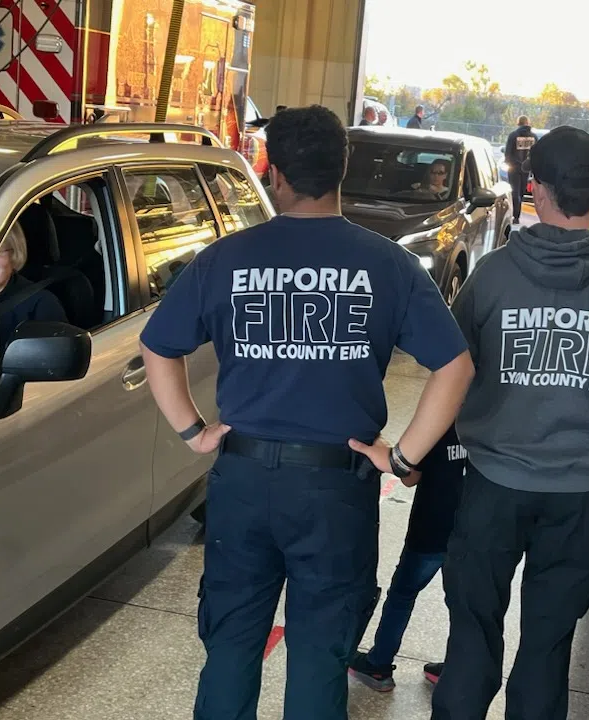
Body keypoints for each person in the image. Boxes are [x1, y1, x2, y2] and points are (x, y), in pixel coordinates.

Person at [138, 105, 474, 720]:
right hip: (335, 489)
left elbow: (160, 348)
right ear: (341, 171)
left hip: (241, 480)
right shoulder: (387, 263)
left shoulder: (225, 258)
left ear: (277, 177)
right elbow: (455, 367)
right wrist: (400, 457)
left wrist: (194, 430)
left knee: (232, 645)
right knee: (321, 656)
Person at [431, 127, 589, 720]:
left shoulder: (493, 276)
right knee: (547, 649)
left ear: (536, 188)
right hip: (579, 496)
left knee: (471, 640)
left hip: (492, 486)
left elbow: (449, 370)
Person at [348, 426, 467, 691]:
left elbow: (409, 477)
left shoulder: (439, 427)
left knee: (403, 594)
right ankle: (459, 671)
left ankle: (379, 665)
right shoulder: (491, 425)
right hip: (474, 536)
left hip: (431, 532)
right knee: (463, 605)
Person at [504, 116, 537, 223]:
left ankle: (515, 216)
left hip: (514, 168)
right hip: (526, 169)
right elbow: (535, 154)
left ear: (518, 123)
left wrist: (510, 163)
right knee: (522, 191)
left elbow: (508, 153)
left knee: (515, 191)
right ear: (528, 123)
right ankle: (518, 212)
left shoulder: (513, 136)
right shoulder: (534, 137)